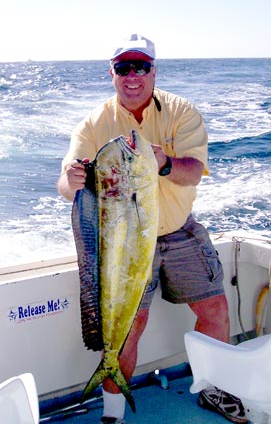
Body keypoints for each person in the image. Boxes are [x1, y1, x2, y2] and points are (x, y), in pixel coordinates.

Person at [58, 34, 248, 424]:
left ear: (153, 71)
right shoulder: (94, 123)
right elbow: (64, 186)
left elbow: (194, 172)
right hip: (123, 243)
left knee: (215, 308)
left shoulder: (180, 112)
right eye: (123, 67)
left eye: (140, 66)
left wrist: (163, 164)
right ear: (111, 72)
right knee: (127, 328)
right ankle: (113, 413)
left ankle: (214, 389)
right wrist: (72, 178)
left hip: (178, 232)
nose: (132, 75)